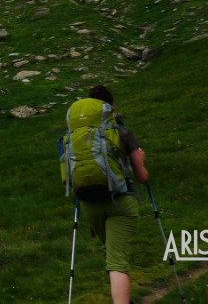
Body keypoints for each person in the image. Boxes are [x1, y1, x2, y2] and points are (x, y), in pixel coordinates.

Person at [75, 85, 149, 304]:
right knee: (117, 261)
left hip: (89, 202)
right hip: (121, 202)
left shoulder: (77, 136)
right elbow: (142, 177)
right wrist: (142, 161)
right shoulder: (123, 132)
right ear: (112, 107)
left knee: (111, 253)